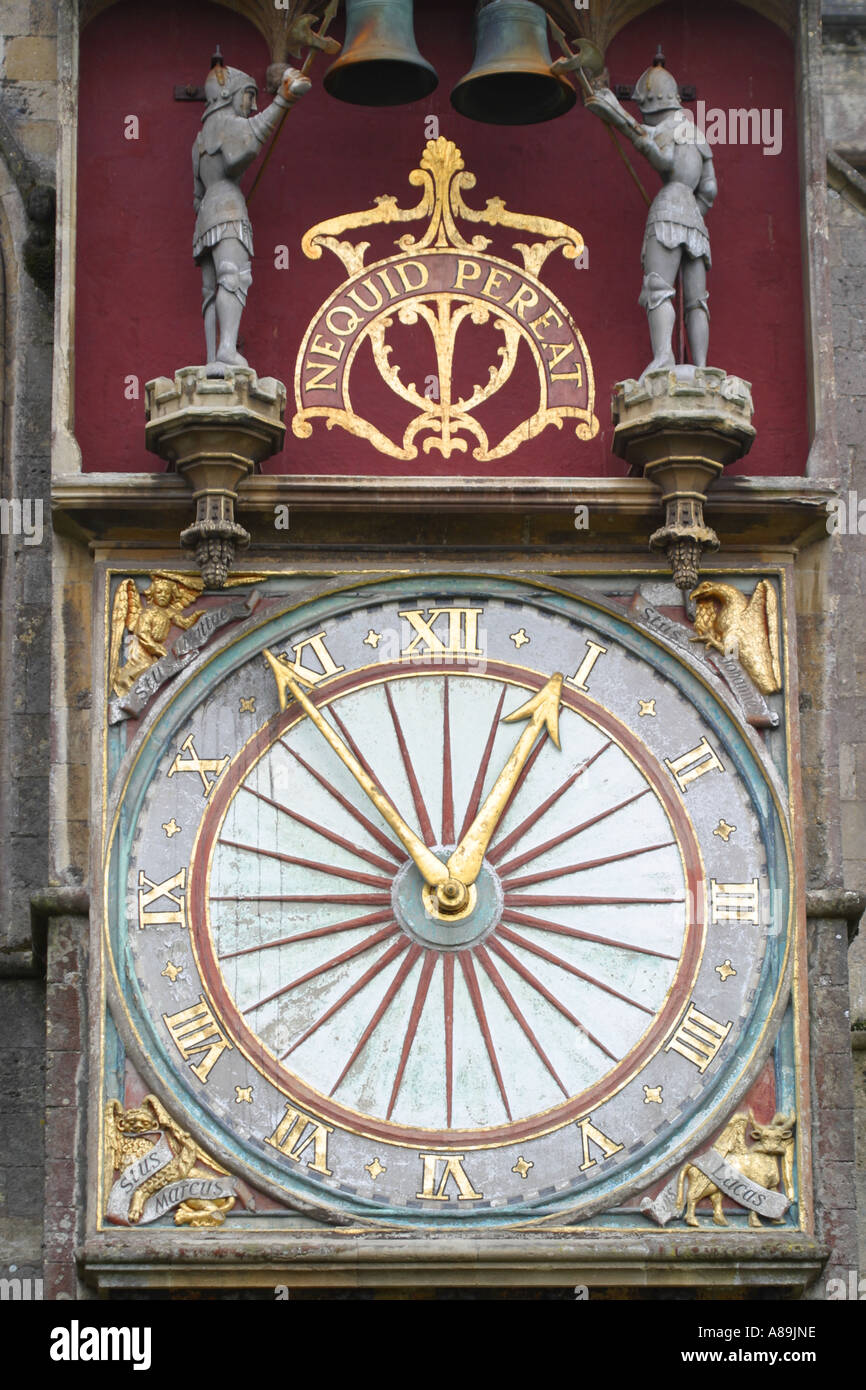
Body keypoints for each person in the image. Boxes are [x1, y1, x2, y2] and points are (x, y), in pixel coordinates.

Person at [584, 53, 717, 375]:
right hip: (695, 221)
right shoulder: (697, 133)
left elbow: (664, 162)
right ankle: (700, 368)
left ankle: (664, 358)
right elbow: (710, 189)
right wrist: (691, 212)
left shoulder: (665, 130)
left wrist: (629, 130)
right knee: (697, 301)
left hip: (668, 207)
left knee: (658, 289)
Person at [193, 58, 311, 371]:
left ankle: (213, 357)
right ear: (228, 94)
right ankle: (227, 349)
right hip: (229, 208)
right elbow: (241, 150)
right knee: (234, 276)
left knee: (212, 287)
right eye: (248, 94)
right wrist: (283, 101)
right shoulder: (226, 124)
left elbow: (197, 194)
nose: (253, 103)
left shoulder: (201, 137)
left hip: (206, 213)